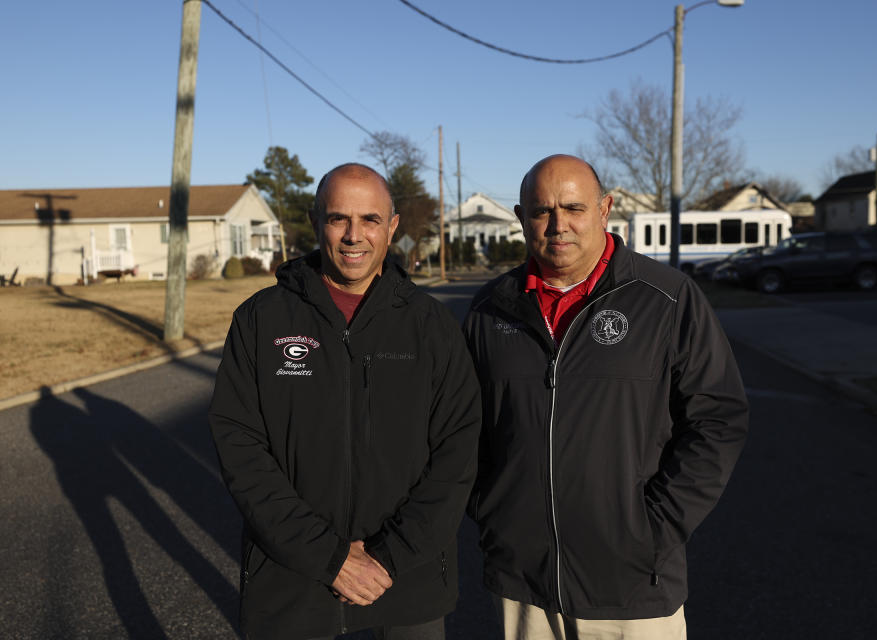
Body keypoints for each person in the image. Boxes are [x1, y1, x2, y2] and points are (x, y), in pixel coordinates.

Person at [462, 154, 749, 639]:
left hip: (633, 587)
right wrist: (494, 513)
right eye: (541, 211)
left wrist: (653, 530)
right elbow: (463, 427)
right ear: (520, 218)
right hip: (523, 585)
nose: (558, 225)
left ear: (605, 209)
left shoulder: (667, 297)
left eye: (574, 207)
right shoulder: (490, 311)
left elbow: (717, 420)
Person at [209, 163, 481, 640]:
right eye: (339, 219)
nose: (354, 236)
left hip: (406, 581)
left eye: (370, 220)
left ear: (393, 226)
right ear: (316, 222)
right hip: (292, 582)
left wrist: (388, 555)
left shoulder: (431, 327)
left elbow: (458, 455)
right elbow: (241, 449)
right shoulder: (261, 320)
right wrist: (329, 558)